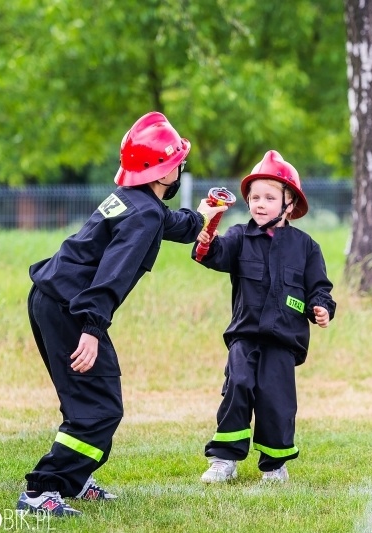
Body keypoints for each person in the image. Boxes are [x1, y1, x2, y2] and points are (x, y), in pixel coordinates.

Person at [17, 111, 228, 516]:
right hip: (71, 308)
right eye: (178, 162)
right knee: (101, 407)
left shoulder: (136, 202)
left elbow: (173, 224)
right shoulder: (145, 213)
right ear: (164, 171)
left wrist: (203, 213)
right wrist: (92, 329)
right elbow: (113, 273)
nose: (182, 168)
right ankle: (43, 490)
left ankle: (75, 480)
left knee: (88, 401)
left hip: (52, 296)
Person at [193, 150, 336, 483]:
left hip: (284, 340)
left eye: (270, 197)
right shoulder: (238, 237)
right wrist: (206, 241)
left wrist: (322, 308)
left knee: (276, 399)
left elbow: (320, 288)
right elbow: (214, 255)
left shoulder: (306, 247)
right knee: (238, 386)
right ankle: (224, 460)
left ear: (289, 204)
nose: (259, 203)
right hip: (245, 335)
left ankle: (275, 464)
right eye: (254, 197)